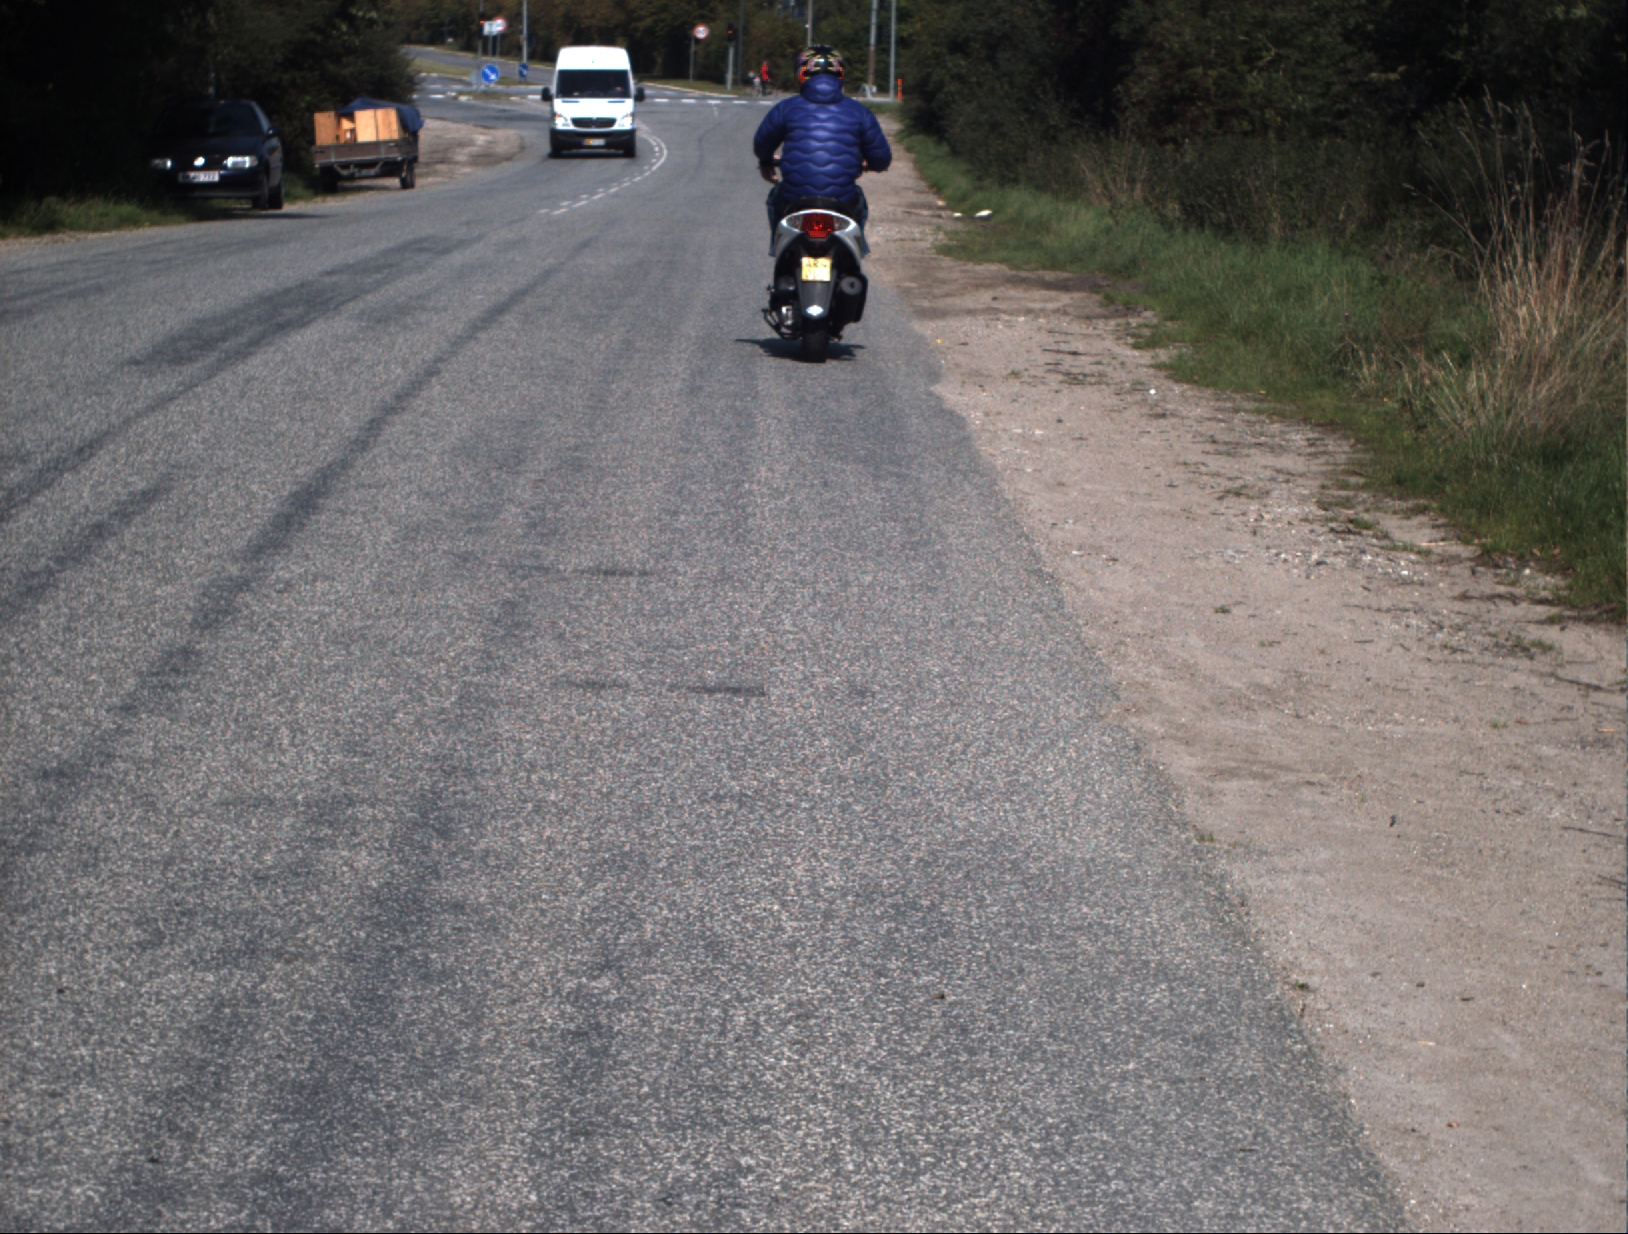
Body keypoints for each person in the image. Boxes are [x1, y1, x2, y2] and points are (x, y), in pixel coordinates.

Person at [752, 46, 891, 252]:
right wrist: (867, 163)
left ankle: (779, 248)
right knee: (859, 202)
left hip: (794, 199)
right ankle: (856, 250)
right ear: (840, 74)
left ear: (801, 74)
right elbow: (881, 158)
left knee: (775, 200)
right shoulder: (859, 112)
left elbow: (762, 143)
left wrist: (766, 161)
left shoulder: (786, 108)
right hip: (842, 201)